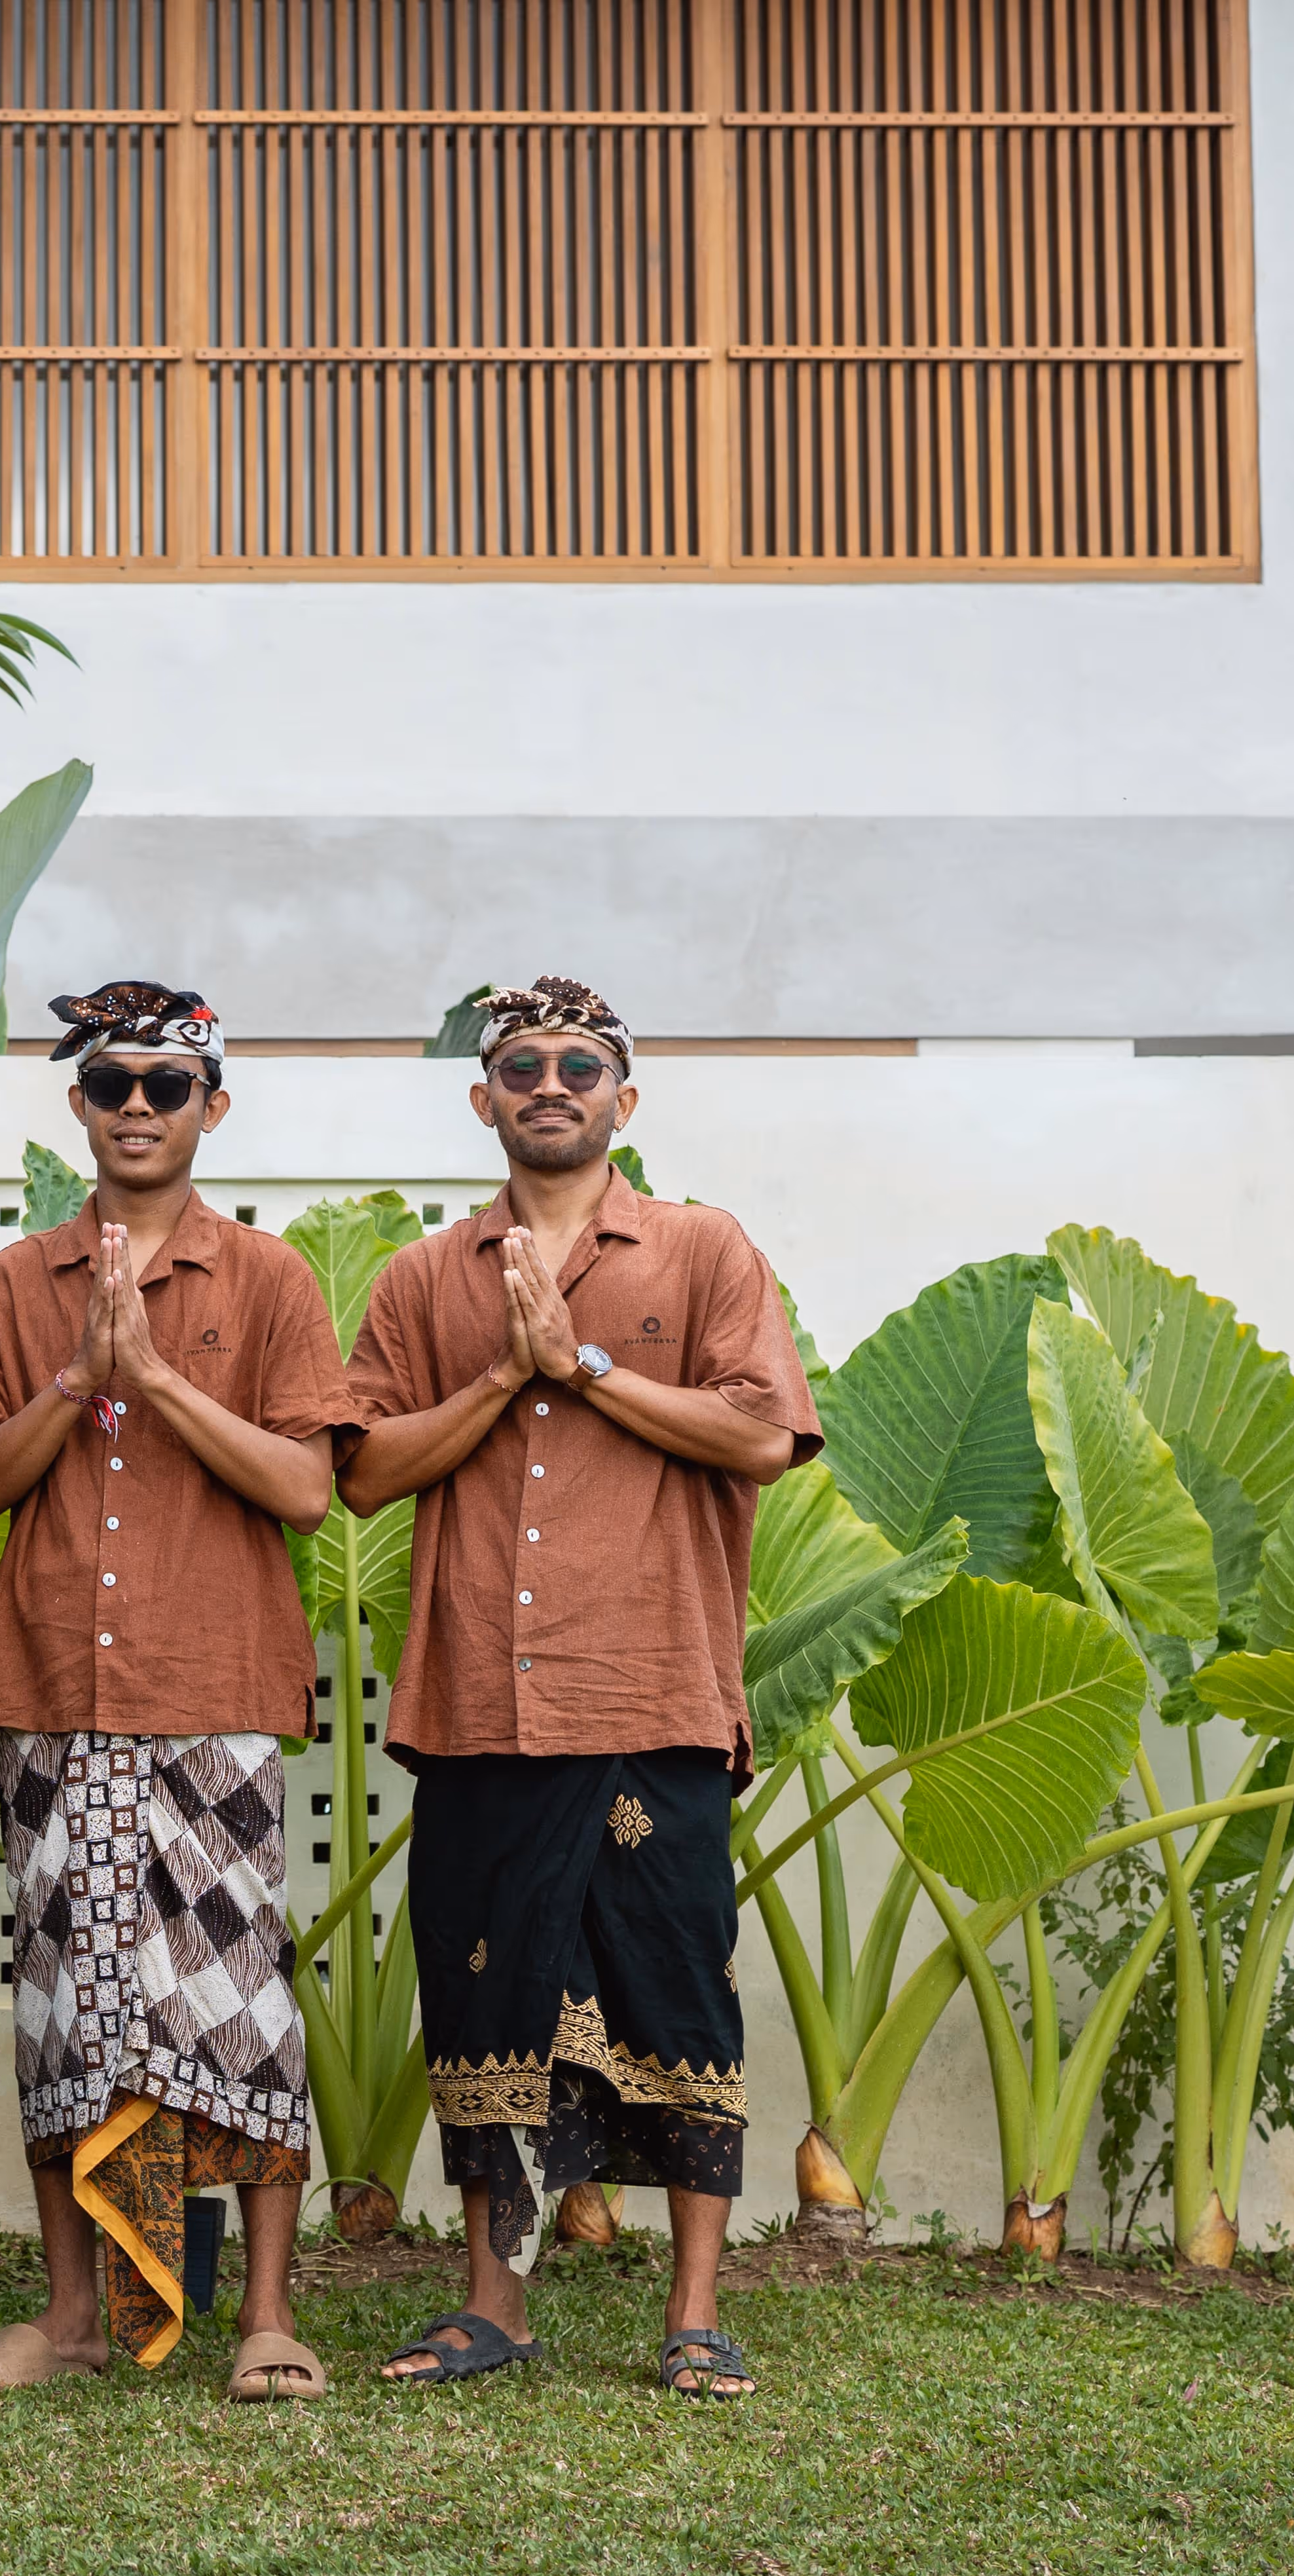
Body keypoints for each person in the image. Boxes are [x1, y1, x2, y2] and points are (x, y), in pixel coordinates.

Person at [340, 976, 818, 2402]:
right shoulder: (427, 1278)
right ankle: (493, 2304)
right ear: (484, 1100)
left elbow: (760, 1431)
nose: (551, 1083)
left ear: (624, 1095)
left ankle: (695, 2309)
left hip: (653, 1687)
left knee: (679, 1993)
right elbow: (364, 1468)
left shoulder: (701, 1251)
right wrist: (507, 1374)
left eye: (581, 1063)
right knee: (482, 1996)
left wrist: (588, 1365)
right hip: (484, 1698)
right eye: (522, 1066)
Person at [0, 982, 354, 2404]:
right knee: (66, 2002)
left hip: (217, 1686)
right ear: (78, 1106)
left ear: (210, 1109)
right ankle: (74, 2313)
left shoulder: (271, 1282)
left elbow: (307, 1486)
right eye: (109, 1083)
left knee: (241, 2006)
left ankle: (268, 2316)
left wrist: (159, 1381)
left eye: (165, 1087)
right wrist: (76, 1377)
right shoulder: (13, 1285)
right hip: (53, 1684)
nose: (134, 1107)